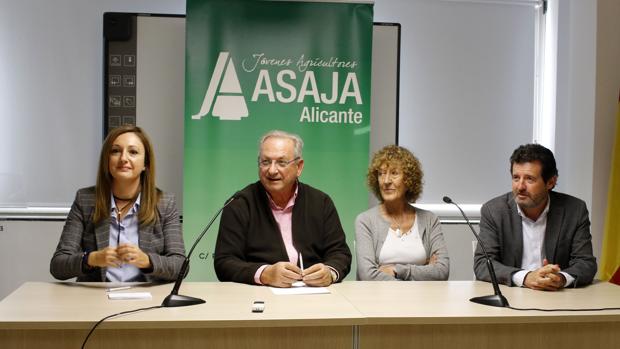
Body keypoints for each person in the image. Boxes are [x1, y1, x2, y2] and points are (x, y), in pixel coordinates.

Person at [214, 130, 352, 287]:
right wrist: (264, 274)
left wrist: (329, 272)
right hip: (260, 295)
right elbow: (224, 262)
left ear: (299, 167)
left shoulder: (321, 202)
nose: (272, 170)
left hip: (313, 295)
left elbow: (340, 253)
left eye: (281, 162)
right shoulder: (239, 203)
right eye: (265, 162)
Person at [50, 126, 185, 282]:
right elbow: (58, 266)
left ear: (145, 164)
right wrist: (92, 258)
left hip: (148, 299)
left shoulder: (164, 203)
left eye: (133, 152)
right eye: (115, 151)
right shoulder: (85, 200)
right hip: (96, 299)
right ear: (107, 160)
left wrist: (147, 261)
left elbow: (180, 265)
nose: (123, 158)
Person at [474, 143, 597, 290]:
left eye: (529, 179)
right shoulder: (494, 211)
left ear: (551, 182)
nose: (520, 187)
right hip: (512, 295)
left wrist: (561, 278)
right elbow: (483, 264)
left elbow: (586, 263)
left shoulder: (574, 210)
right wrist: (525, 277)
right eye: (515, 178)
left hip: (557, 297)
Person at [356, 145, 449, 281]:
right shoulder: (365, 220)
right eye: (381, 174)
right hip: (378, 300)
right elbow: (368, 275)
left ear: (409, 180)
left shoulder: (429, 219)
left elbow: (442, 271)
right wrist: (424, 269)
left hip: (423, 300)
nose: (386, 181)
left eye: (394, 173)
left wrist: (397, 270)